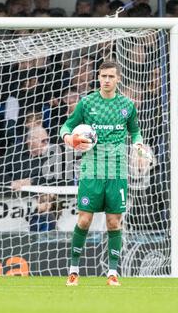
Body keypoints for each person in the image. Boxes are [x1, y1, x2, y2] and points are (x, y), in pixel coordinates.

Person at [60, 61, 145, 286]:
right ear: (98, 77)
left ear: (118, 79)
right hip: (91, 171)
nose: (106, 80)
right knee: (84, 220)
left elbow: (135, 132)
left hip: (117, 172)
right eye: (103, 76)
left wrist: (138, 146)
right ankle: (74, 270)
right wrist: (69, 138)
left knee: (113, 223)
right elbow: (66, 127)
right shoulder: (87, 103)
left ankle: (113, 273)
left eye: (110, 76)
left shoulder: (127, 105)